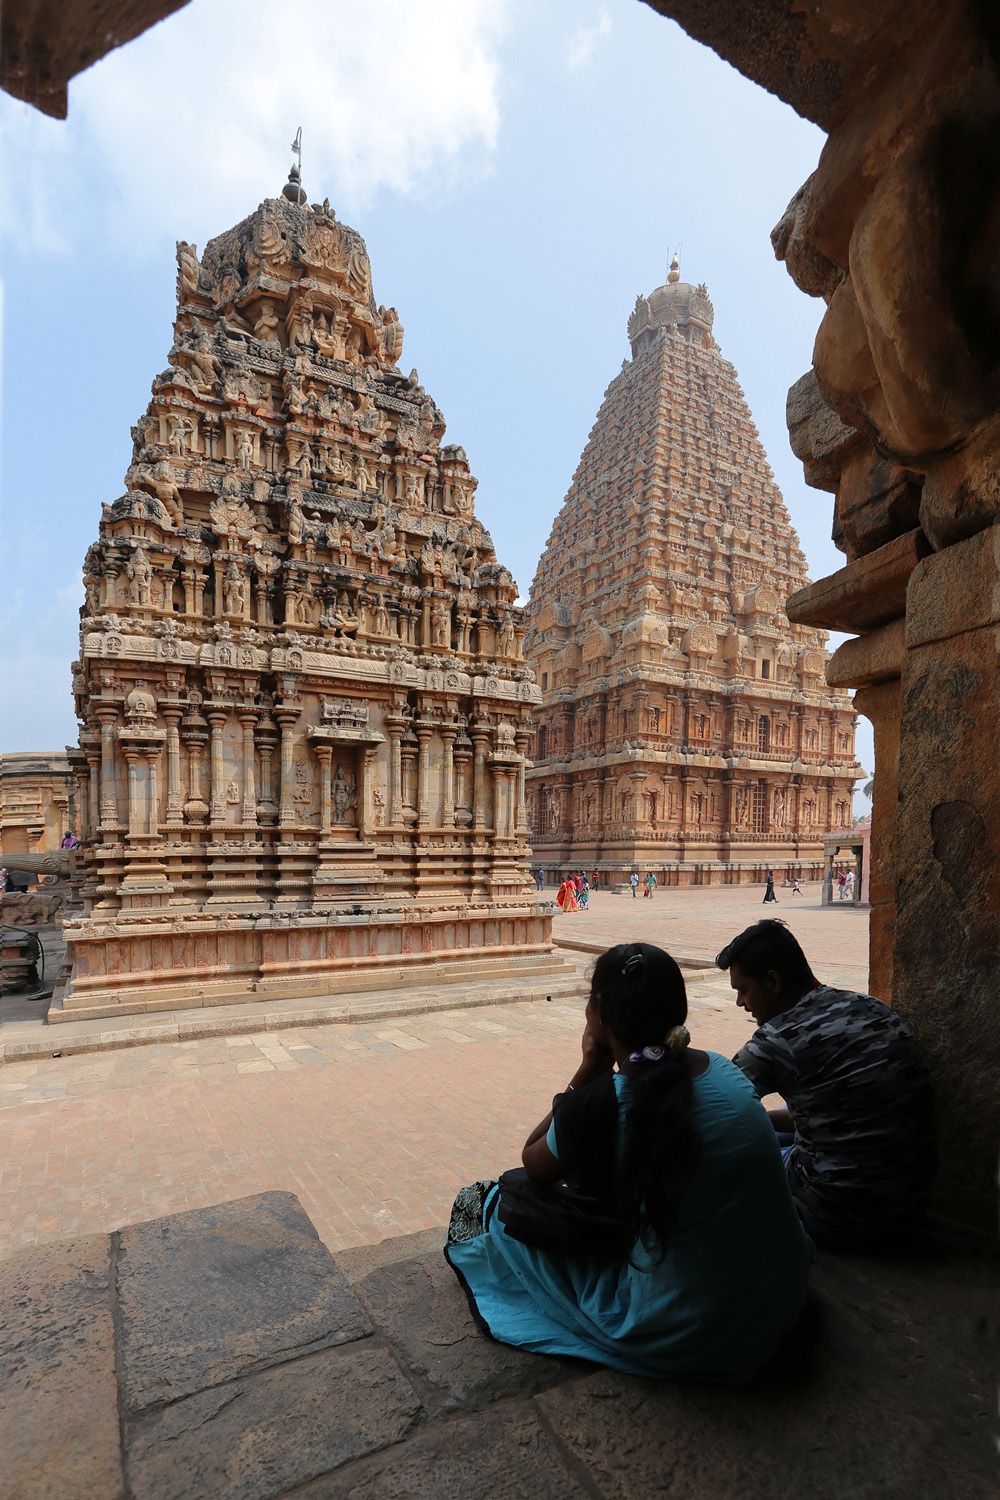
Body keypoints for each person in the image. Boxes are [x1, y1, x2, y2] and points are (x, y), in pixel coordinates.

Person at [444, 943, 812, 1381]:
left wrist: (587, 1070)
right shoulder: (723, 1069)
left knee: (488, 1202)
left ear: (598, 1012)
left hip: (694, 1334)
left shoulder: (604, 1101)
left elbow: (533, 1161)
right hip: (782, 1299)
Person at [716, 919, 937, 1251]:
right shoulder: (873, 1008)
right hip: (912, 1203)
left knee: (727, 1159)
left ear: (773, 982)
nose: (740, 1004)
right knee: (771, 1128)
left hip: (839, 1215)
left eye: (743, 990)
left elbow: (711, 1107)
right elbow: (832, 1111)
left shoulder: (778, 1040)